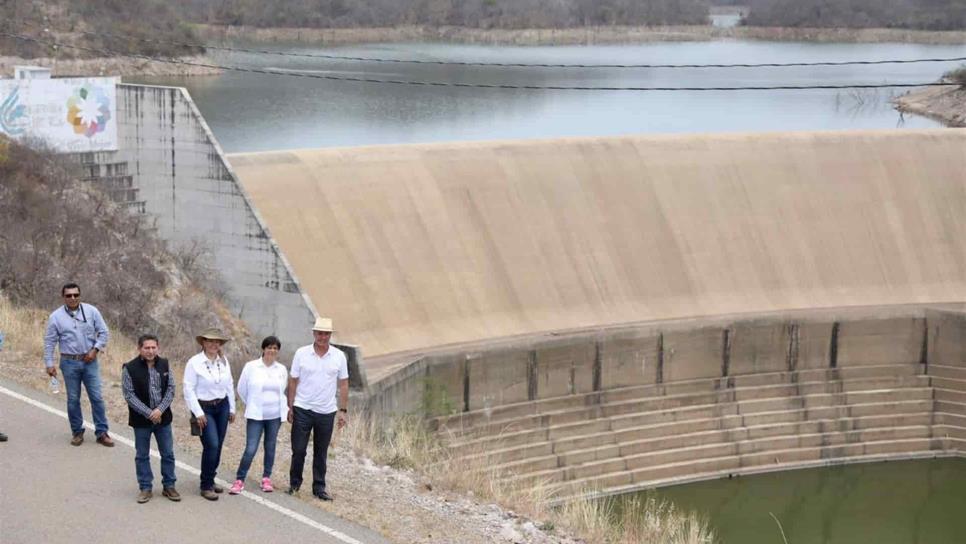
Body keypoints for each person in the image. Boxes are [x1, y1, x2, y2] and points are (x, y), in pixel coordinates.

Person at [43, 282, 113, 447]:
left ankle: (102, 432)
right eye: (69, 295)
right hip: (69, 362)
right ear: (64, 297)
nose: (73, 298)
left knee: (96, 397)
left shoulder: (91, 311)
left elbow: (104, 332)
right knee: (73, 399)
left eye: (76, 295)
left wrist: (95, 350)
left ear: (80, 295)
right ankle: (77, 431)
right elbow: (50, 342)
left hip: (90, 361)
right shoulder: (56, 317)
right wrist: (49, 363)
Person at [287, 317, 348, 501]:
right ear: (314, 334)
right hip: (302, 408)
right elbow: (293, 380)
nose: (322, 337)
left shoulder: (339, 356)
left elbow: (344, 384)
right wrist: (290, 406)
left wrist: (343, 410)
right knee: (298, 450)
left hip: (326, 411)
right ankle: (294, 484)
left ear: (330, 335)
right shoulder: (301, 353)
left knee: (321, 452)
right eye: (320, 333)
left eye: (326, 334)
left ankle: (319, 488)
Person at [121, 334, 180, 504]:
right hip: (141, 422)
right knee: (142, 455)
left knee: (168, 453)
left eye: (153, 347)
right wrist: (149, 413)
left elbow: (171, 389)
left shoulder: (165, 364)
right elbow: (129, 395)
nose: (150, 351)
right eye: (147, 348)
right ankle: (145, 487)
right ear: (139, 348)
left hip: (163, 419)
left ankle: (169, 485)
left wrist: (160, 410)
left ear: (158, 348)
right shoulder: (129, 368)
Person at [229, 336, 289, 494]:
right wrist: (252, 404)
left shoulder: (281, 369)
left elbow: (283, 390)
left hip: (275, 415)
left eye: (275, 348)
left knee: (270, 447)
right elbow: (241, 389)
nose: (272, 350)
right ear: (263, 349)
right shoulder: (251, 367)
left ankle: (266, 478)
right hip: (256, 415)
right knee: (251, 448)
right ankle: (239, 479)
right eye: (269, 347)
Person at [183, 327, 236, 501]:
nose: (214, 344)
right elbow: (188, 389)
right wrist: (197, 412)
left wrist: (232, 408)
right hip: (204, 408)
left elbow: (229, 384)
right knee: (211, 444)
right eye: (210, 341)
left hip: (222, 406)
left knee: (219, 444)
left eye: (217, 342)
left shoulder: (223, 361)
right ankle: (205, 485)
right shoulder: (194, 362)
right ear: (204, 343)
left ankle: (211, 478)